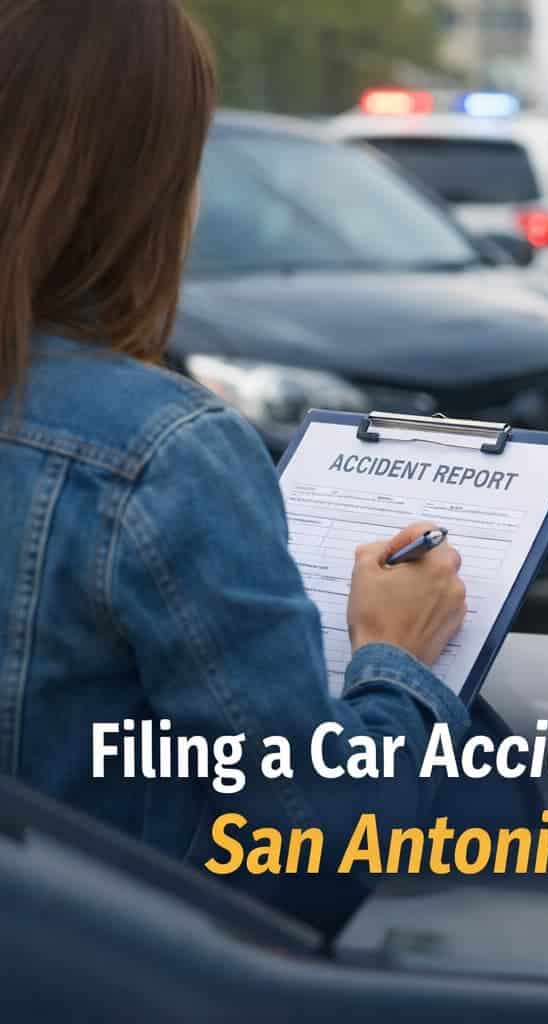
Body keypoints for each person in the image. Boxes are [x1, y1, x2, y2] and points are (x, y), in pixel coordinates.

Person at [0, 0, 470, 927]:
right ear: (146, 185)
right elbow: (318, 842)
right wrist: (394, 656)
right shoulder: (159, 454)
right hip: (106, 973)